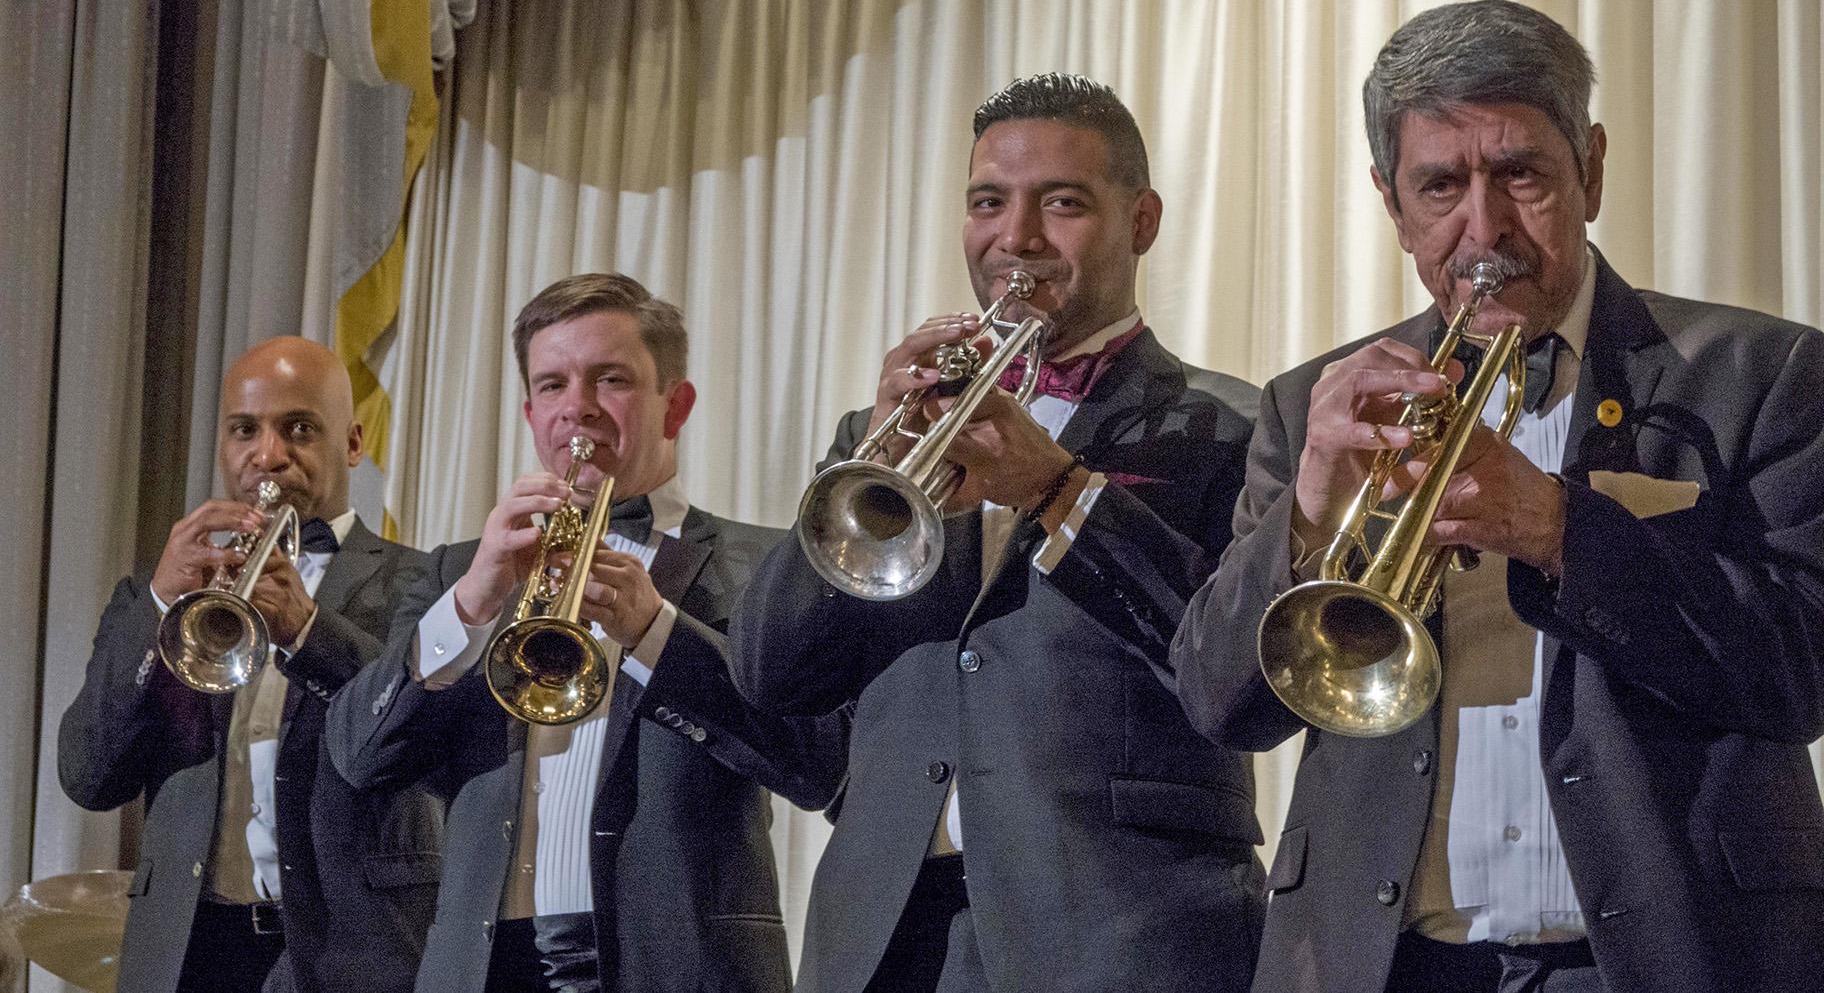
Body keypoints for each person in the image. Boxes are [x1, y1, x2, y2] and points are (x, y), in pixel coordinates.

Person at [1172, 0, 1824, 993]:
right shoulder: (1315, 404)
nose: (1485, 230)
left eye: (1520, 173)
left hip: (1662, 959)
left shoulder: (1762, 375)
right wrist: (1304, 517)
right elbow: (1221, 703)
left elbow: (1801, 668)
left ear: (1591, 169)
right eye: (1440, 185)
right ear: (1393, 204)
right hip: (1383, 964)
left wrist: (1565, 533)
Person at [729, 73, 1264, 993]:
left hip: (1126, 925)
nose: (1015, 238)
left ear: (1142, 222)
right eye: (988, 202)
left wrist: (1060, 491)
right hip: (887, 932)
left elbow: (1234, 675)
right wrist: (869, 450)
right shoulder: (885, 432)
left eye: (1061, 203)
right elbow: (774, 672)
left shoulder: (1234, 425)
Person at [325, 273, 848, 993]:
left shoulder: (760, 563)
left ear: (677, 404)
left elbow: (816, 764)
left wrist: (656, 631)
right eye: (552, 385)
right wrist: (473, 603)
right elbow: (360, 754)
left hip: (679, 966)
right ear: (530, 411)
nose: (578, 408)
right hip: (483, 967)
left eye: (611, 380)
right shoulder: (460, 569)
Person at [58, 337, 440, 993]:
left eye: (298, 429)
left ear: (351, 444)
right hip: (188, 950)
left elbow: (421, 744)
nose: (268, 455)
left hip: (353, 954)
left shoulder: (418, 581)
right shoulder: (151, 597)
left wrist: (310, 631)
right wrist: (157, 605)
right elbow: (90, 778)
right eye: (245, 430)